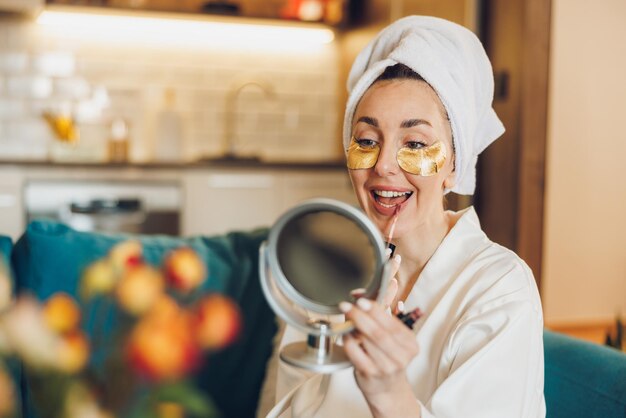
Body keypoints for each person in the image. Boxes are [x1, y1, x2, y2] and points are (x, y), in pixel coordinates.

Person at [266, 15, 545, 418]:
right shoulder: (328, 274)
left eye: (414, 142)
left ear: (454, 165)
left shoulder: (499, 289)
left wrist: (388, 392)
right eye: (366, 140)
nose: (383, 167)